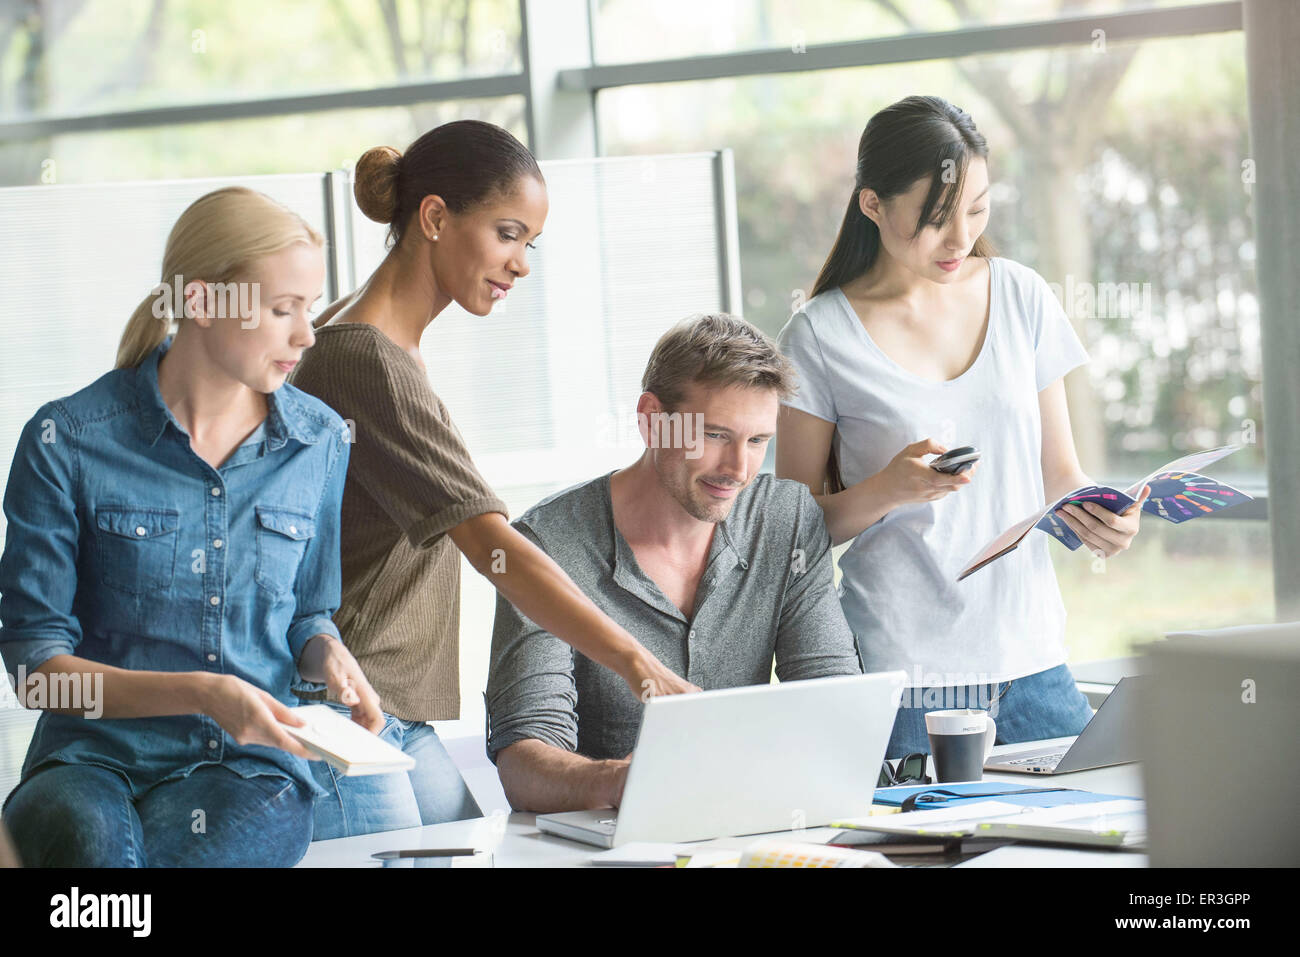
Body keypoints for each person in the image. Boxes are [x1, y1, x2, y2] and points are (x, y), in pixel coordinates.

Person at [289, 120, 697, 839]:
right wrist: (637, 662)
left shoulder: (372, 341)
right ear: (436, 217)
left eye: (529, 243)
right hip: (346, 712)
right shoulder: (367, 360)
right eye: (508, 233)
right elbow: (492, 548)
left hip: (391, 713)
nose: (521, 264)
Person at [0, 186, 381, 867]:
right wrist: (202, 691)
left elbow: (308, 613)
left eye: (310, 309)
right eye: (283, 309)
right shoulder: (68, 440)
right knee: (94, 858)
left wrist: (327, 653)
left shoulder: (319, 439)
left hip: (245, 770)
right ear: (202, 301)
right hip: (89, 761)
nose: (306, 334)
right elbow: (36, 671)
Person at [774, 95, 1148, 759]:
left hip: (1032, 658)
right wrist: (889, 489)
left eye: (978, 211)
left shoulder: (1021, 295)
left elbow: (1060, 475)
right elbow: (790, 529)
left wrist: (1103, 519)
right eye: (936, 219)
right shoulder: (819, 335)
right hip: (907, 676)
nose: (961, 239)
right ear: (872, 205)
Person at [484, 313, 863, 812]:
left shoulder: (786, 519)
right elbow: (524, 763)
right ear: (650, 419)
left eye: (757, 441)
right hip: (604, 844)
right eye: (714, 436)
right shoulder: (547, 544)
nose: (738, 469)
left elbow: (832, 699)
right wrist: (628, 783)